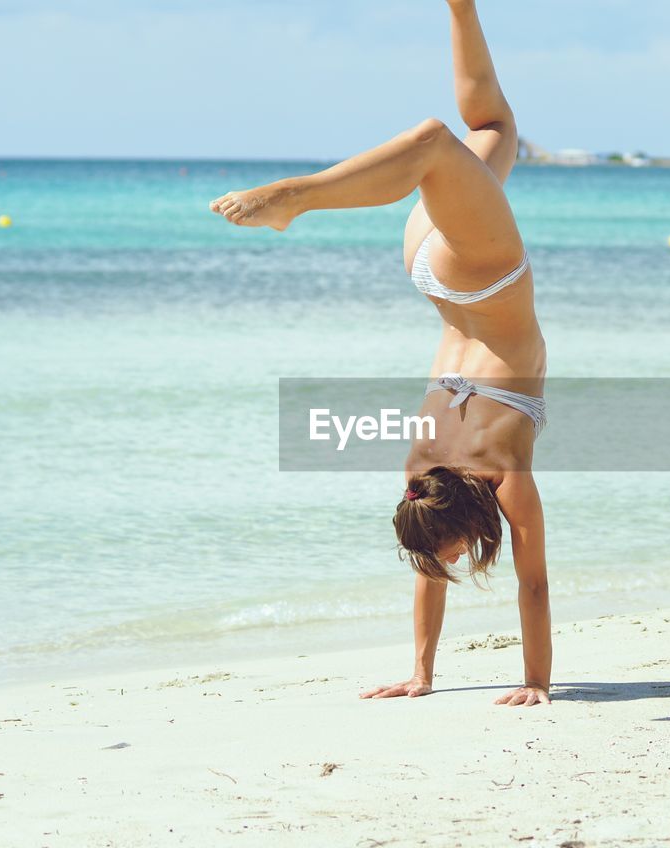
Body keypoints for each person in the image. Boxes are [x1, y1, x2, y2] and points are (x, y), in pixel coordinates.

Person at [210, 0, 550, 708]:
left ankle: (292, 199)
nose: (450, 564)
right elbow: (460, 570)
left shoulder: (501, 471)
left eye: (447, 552)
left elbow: (533, 581)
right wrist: (422, 675)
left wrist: (535, 682)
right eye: (452, 555)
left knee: (434, 142)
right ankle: (460, 7)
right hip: (429, 263)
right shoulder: (421, 470)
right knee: (492, 129)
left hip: (480, 275)